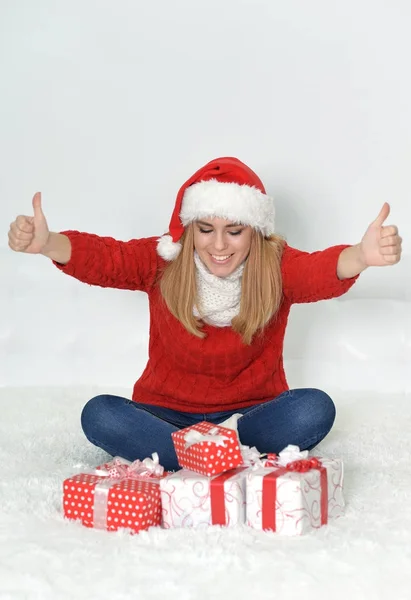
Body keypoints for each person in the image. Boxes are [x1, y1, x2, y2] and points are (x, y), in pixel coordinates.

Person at [8, 157, 402, 471]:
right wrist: (48, 243)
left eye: (234, 231)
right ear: (189, 229)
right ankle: (223, 458)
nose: (218, 245)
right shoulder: (164, 260)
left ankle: (188, 459)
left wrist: (360, 256)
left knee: (314, 407)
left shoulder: (276, 266)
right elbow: (107, 259)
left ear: (255, 232)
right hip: (165, 415)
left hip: (250, 414)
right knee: (99, 415)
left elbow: (319, 271)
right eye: (205, 229)